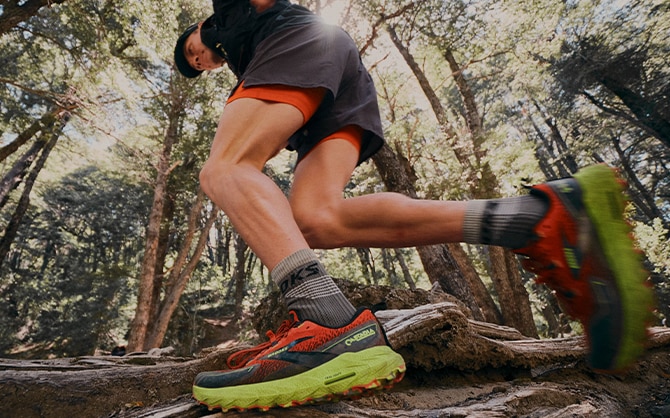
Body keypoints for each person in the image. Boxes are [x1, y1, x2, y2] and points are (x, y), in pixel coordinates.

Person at [173, 0, 653, 412]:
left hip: (300, 44)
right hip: (334, 70)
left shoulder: (227, 13)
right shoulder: (240, 53)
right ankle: (533, 220)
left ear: (196, 28)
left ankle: (328, 322)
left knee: (225, 168)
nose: (199, 59)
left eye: (191, 51)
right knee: (316, 219)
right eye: (197, 67)